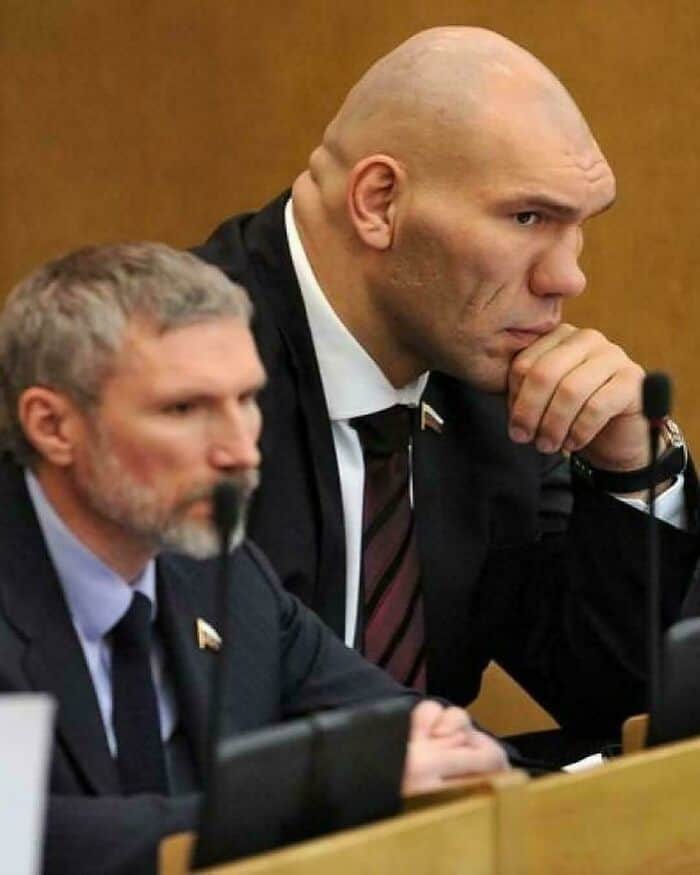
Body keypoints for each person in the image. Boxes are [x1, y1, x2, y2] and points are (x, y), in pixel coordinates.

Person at [194, 27, 700, 736]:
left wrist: (631, 467)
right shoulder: (165, 379)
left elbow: (612, 704)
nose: (568, 277)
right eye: (527, 217)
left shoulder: (492, 383)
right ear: (379, 203)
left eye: (578, 225)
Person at [0, 242, 508, 875]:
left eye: (246, 401)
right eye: (184, 409)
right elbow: (22, 836)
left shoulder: (221, 571)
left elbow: (395, 724)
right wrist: (321, 797)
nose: (240, 452)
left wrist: (451, 753)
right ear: (53, 426)